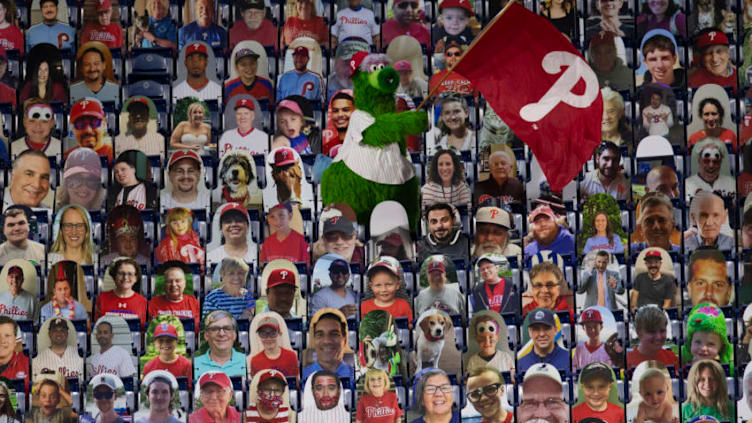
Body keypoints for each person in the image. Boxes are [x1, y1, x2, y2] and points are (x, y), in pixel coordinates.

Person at [302, 308, 354, 382]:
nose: (327, 341)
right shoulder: (301, 377)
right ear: (314, 340)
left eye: (334, 334)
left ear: (345, 340)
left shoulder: (357, 378)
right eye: (320, 334)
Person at [193, 310, 246, 379]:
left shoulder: (246, 361)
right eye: (215, 329)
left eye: (227, 328)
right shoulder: (194, 364)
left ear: (234, 335)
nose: (221, 334)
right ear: (206, 335)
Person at [95, 258, 148, 327]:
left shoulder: (143, 302)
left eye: (130, 274)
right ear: (114, 276)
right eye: (121, 273)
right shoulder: (102, 299)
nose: (125, 277)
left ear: (136, 278)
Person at [148, 262, 200, 330]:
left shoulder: (195, 303)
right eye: (169, 281)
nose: (173, 284)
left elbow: (197, 330)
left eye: (178, 281)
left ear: (184, 283)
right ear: (164, 284)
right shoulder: (153, 304)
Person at [681, 302, 732, 368]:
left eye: (710, 344)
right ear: (690, 343)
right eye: (697, 342)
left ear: (722, 346)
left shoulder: (723, 369)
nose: (703, 348)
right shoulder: (683, 369)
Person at [627, 305, 678, 369]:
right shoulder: (628, 362)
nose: (658, 337)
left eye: (662, 331)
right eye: (652, 332)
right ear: (639, 333)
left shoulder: (671, 358)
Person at [249, 313, 299, 378]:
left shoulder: (291, 356)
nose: (268, 338)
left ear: (280, 334)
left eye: (273, 333)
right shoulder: (255, 361)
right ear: (259, 336)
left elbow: (295, 384)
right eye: (263, 334)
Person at [55, 147, 106, 211]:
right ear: (65, 182)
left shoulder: (107, 217)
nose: (84, 187)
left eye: (91, 181)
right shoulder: (52, 217)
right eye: (76, 180)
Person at [688, 29, 737, 94]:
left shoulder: (740, 77)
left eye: (719, 51)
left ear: (728, 53)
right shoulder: (694, 83)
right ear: (702, 58)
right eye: (708, 53)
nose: (715, 59)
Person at [65, 98, 113, 164]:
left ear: (104, 124)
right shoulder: (67, 159)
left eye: (94, 122)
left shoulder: (113, 156)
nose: (88, 130)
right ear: (73, 128)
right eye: (80, 124)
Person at [321, 90, 354, 156]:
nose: (340, 114)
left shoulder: (366, 145)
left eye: (346, 110)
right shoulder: (326, 149)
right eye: (335, 111)